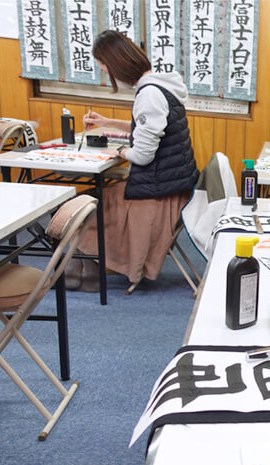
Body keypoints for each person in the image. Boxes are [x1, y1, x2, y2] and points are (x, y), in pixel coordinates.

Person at [65, 30, 199, 291]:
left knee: (89, 204)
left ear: (116, 66)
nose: (106, 74)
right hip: (172, 184)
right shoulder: (160, 86)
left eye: (105, 69)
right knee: (95, 198)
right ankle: (87, 264)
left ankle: (85, 263)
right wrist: (107, 123)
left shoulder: (148, 95)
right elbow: (151, 129)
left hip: (159, 193)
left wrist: (121, 153)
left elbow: (144, 154)